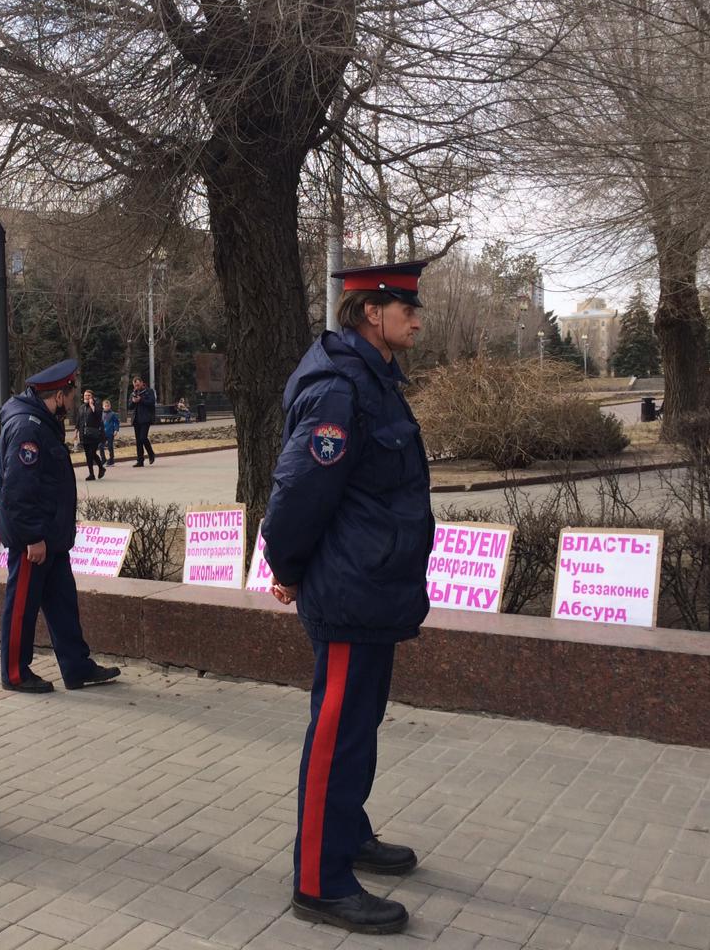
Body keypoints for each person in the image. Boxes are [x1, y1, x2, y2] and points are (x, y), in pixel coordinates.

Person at [262, 260, 436, 936]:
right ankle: (319, 879)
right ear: (370, 312)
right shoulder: (340, 387)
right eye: (406, 307)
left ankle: (349, 832)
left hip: (374, 586)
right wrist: (287, 564)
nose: (418, 317)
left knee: (359, 728)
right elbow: (300, 490)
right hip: (347, 587)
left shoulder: (375, 378)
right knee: (335, 734)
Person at [0, 359, 121, 693]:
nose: (74, 399)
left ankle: (76, 667)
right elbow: (19, 491)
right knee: (22, 605)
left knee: (63, 605)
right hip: (34, 541)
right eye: (71, 393)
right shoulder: (28, 427)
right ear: (59, 395)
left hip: (51, 539)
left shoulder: (42, 422)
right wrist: (33, 537)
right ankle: (15, 673)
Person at [76, 388, 106, 481]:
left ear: (92, 397)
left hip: (94, 434)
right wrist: (76, 432)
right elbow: (79, 421)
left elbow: (98, 416)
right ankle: (91, 474)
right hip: (84, 434)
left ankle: (101, 467)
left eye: (88, 395)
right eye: (85, 395)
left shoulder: (96, 405)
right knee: (88, 455)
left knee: (92, 453)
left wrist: (92, 405)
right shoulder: (81, 407)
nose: (86, 397)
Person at [129, 375, 157, 466]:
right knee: (138, 441)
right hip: (136, 419)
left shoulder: (149, 391)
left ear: (141, 383)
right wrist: (133, 401)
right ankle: (140, 460)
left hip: (146, 418)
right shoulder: (133, 393)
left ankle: (151, 453)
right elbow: (129, 406)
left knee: (143, 438)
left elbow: (152, 402)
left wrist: (141, 400)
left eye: (137, 385)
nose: (136, 387)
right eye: (135, 385)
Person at [102, 399, 120, 466]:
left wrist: (116, 430)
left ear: (110, 406)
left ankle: (111, 460)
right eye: (105, 406)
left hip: (110, 432)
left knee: (110, 446)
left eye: (108, 406)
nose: (107, 407)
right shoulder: (101, 414)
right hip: (102, 433)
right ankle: (103, 459)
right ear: (103, 406)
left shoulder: (113, 414)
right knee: (100, 446)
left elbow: (116, 422)